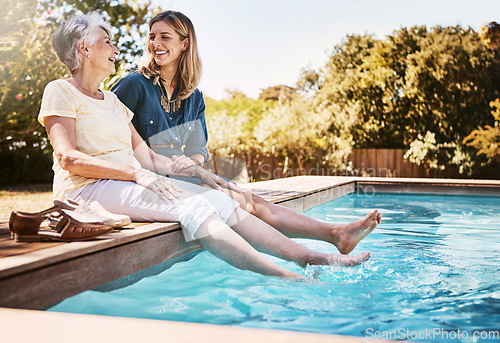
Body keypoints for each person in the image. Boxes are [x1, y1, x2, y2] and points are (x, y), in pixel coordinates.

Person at [38, 12, 374, 279]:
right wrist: (137, 175)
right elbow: (68, 157)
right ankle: (288, 276)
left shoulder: (112, 101)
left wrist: (198, 171)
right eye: (107, 41)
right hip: (85, 190)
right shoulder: (60, 90)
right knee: (197, 209)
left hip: (123, 184)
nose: (115, 48)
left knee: (220, 199)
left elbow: (149, 157)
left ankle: (314, 257)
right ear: (83, 48)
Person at [112, 10, 382, 255]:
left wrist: (191, 164)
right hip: (146, 179)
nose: (156, 44)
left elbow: (198, 150)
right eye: (152, 37)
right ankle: (332, 237)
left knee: (247, 199)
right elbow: (105, 133)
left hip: (183, 175)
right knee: (242, 202)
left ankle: (335, 235)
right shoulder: (133, 84)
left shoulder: (194, 97)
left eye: (164, 37)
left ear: (185, 44)